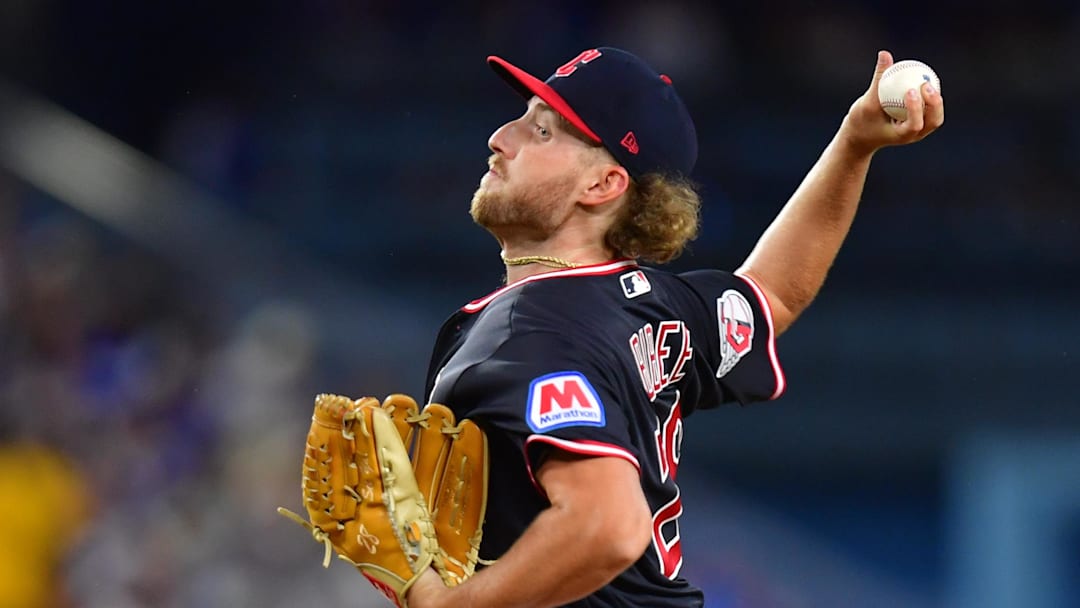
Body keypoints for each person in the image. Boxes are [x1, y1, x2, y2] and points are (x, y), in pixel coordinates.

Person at [404, 46, 944, 607]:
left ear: (602, 185)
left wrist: (444, 605)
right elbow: (773, 294)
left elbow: (609, 528)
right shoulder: (650, 303)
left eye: (542, 131)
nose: (501, 136)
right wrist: (853, 146)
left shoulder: (530, 333)